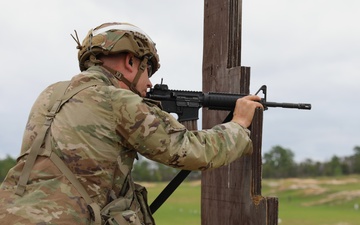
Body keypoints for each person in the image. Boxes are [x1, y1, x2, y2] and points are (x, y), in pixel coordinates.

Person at [0, 22, 263, 224]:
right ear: (130, 61)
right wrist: (238, 125)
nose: (149, 82)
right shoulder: (117, 100)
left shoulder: (50, 94)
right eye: (147, 70)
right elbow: (190, 151)